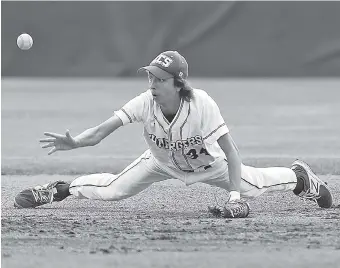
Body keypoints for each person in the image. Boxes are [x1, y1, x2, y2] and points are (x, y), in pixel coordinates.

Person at [14, 51, 333, 218]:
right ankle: (58, 190)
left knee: (253, 186)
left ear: (178, 83)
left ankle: (300, 178)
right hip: (158, 162)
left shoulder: (202, 104)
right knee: (113, 189)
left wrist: (233, 197)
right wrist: (77, 142)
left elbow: (232, 153)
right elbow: (101, 132)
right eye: (150, 77)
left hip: (210, 165)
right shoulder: (145, 102)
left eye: (159, 79)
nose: (151, 84)